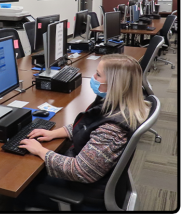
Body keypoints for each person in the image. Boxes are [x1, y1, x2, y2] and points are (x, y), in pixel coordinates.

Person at [15, 54, 151, 211]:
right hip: (96, 179)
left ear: (115, 84)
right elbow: (88, 126)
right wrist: (54, 133)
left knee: (20, 188)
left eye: (98, 75)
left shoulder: (112, 129)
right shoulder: (117, 104)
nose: (93, 77)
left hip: (86, 195)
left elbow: (80, 171)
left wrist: (41, 151)